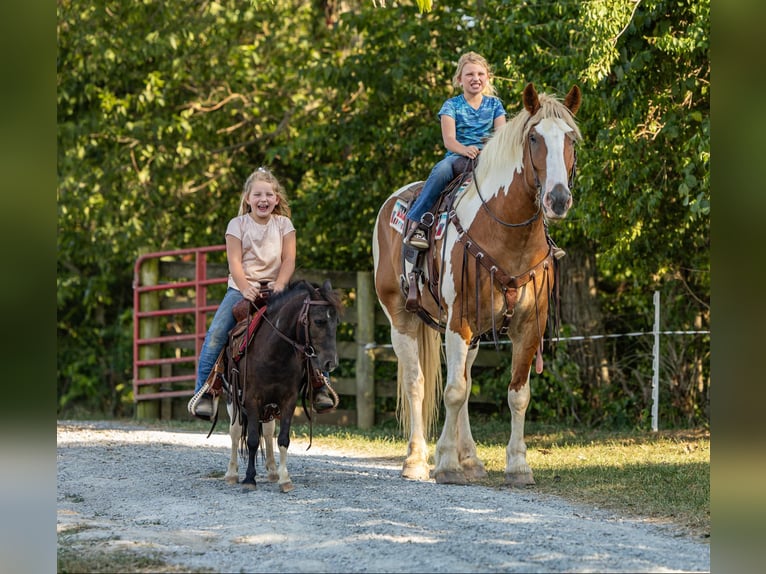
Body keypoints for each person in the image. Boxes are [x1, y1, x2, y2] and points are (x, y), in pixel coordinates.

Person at [188, 167, 334, 420]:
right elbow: (234, 262)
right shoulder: (237, 225)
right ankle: (207, 391)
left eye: (268, 195)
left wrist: (280, 283)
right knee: (216, 334)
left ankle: (319, 385)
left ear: (276, 199)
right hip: (242, 289)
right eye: (257, 195)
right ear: (247, 198)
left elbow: (289, 259)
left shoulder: (284, 224)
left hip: (278, 289)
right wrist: (245, 287)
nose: (263, 200)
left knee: (308, 327)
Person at [404, 51, 506, 249]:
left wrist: (489, 151)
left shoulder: (495, 105)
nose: (475, 78)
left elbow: (501, 135)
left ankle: (538, 233)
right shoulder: (451, 105)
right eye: (469, 74)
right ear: (459, 80)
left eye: (480, 74)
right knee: (441, 171)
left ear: (487, 77)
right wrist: (465, 149)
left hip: (488, 158)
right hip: (459, 157)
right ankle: (419, 222)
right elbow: (449, 140)